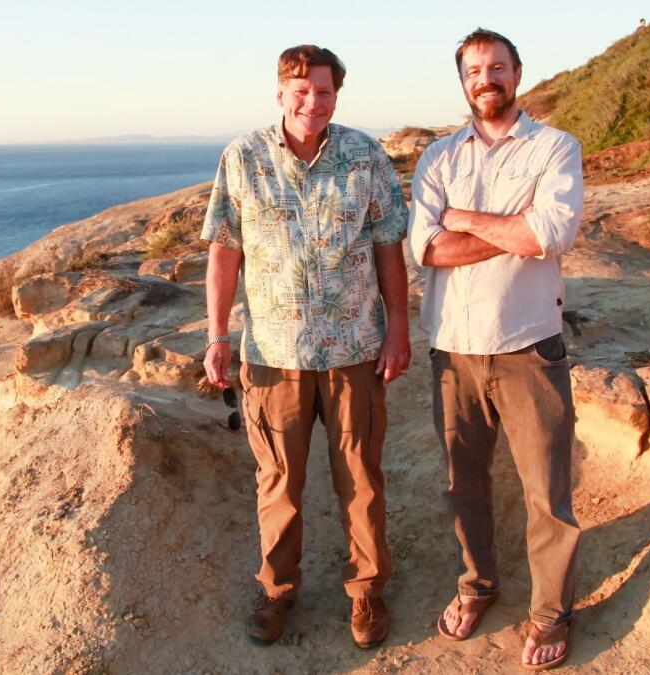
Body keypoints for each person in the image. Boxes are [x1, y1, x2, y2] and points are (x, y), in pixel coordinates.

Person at [200, 44, 410, 649]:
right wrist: (217, 335)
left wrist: (398, 328)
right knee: (279, 481)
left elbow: (389, 246)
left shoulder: (364, 153)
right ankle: (277, 590)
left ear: (336, 95)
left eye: (324, 91)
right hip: (271, 354)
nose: (312, 102)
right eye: (301, 90)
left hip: (355, 350)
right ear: (280, 92)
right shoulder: (242, 157)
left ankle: (367, 589)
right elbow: (224, 250)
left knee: (361, 479)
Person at [406, 28, 584, 670]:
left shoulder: (555, 147)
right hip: (452, 350)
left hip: (529, 347)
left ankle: (550, 612)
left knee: (547, 493)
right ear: (462, 81)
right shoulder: (439, 159)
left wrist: (468, 220)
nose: (487, 79)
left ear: (517, 74)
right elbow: (422, 248)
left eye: (498, 67)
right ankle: (478, 585)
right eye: (475, 70)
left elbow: (554, 231)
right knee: (464, 483)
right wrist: (515, 230)